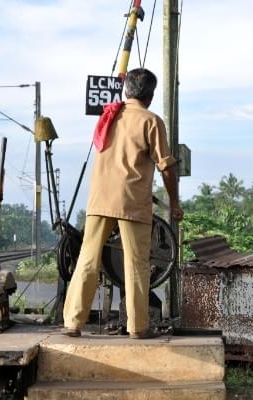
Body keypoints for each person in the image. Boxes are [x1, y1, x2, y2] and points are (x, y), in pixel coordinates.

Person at [62, 68, 183, 339]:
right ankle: (138, 327)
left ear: (126, 90)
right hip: (131, 201)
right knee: (136, 263)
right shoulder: (151, 121)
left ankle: (73, 322)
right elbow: (166, 167)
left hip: (100, 199)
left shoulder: (109, 116)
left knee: (88, 259)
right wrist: (174, 203)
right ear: (151, 96)